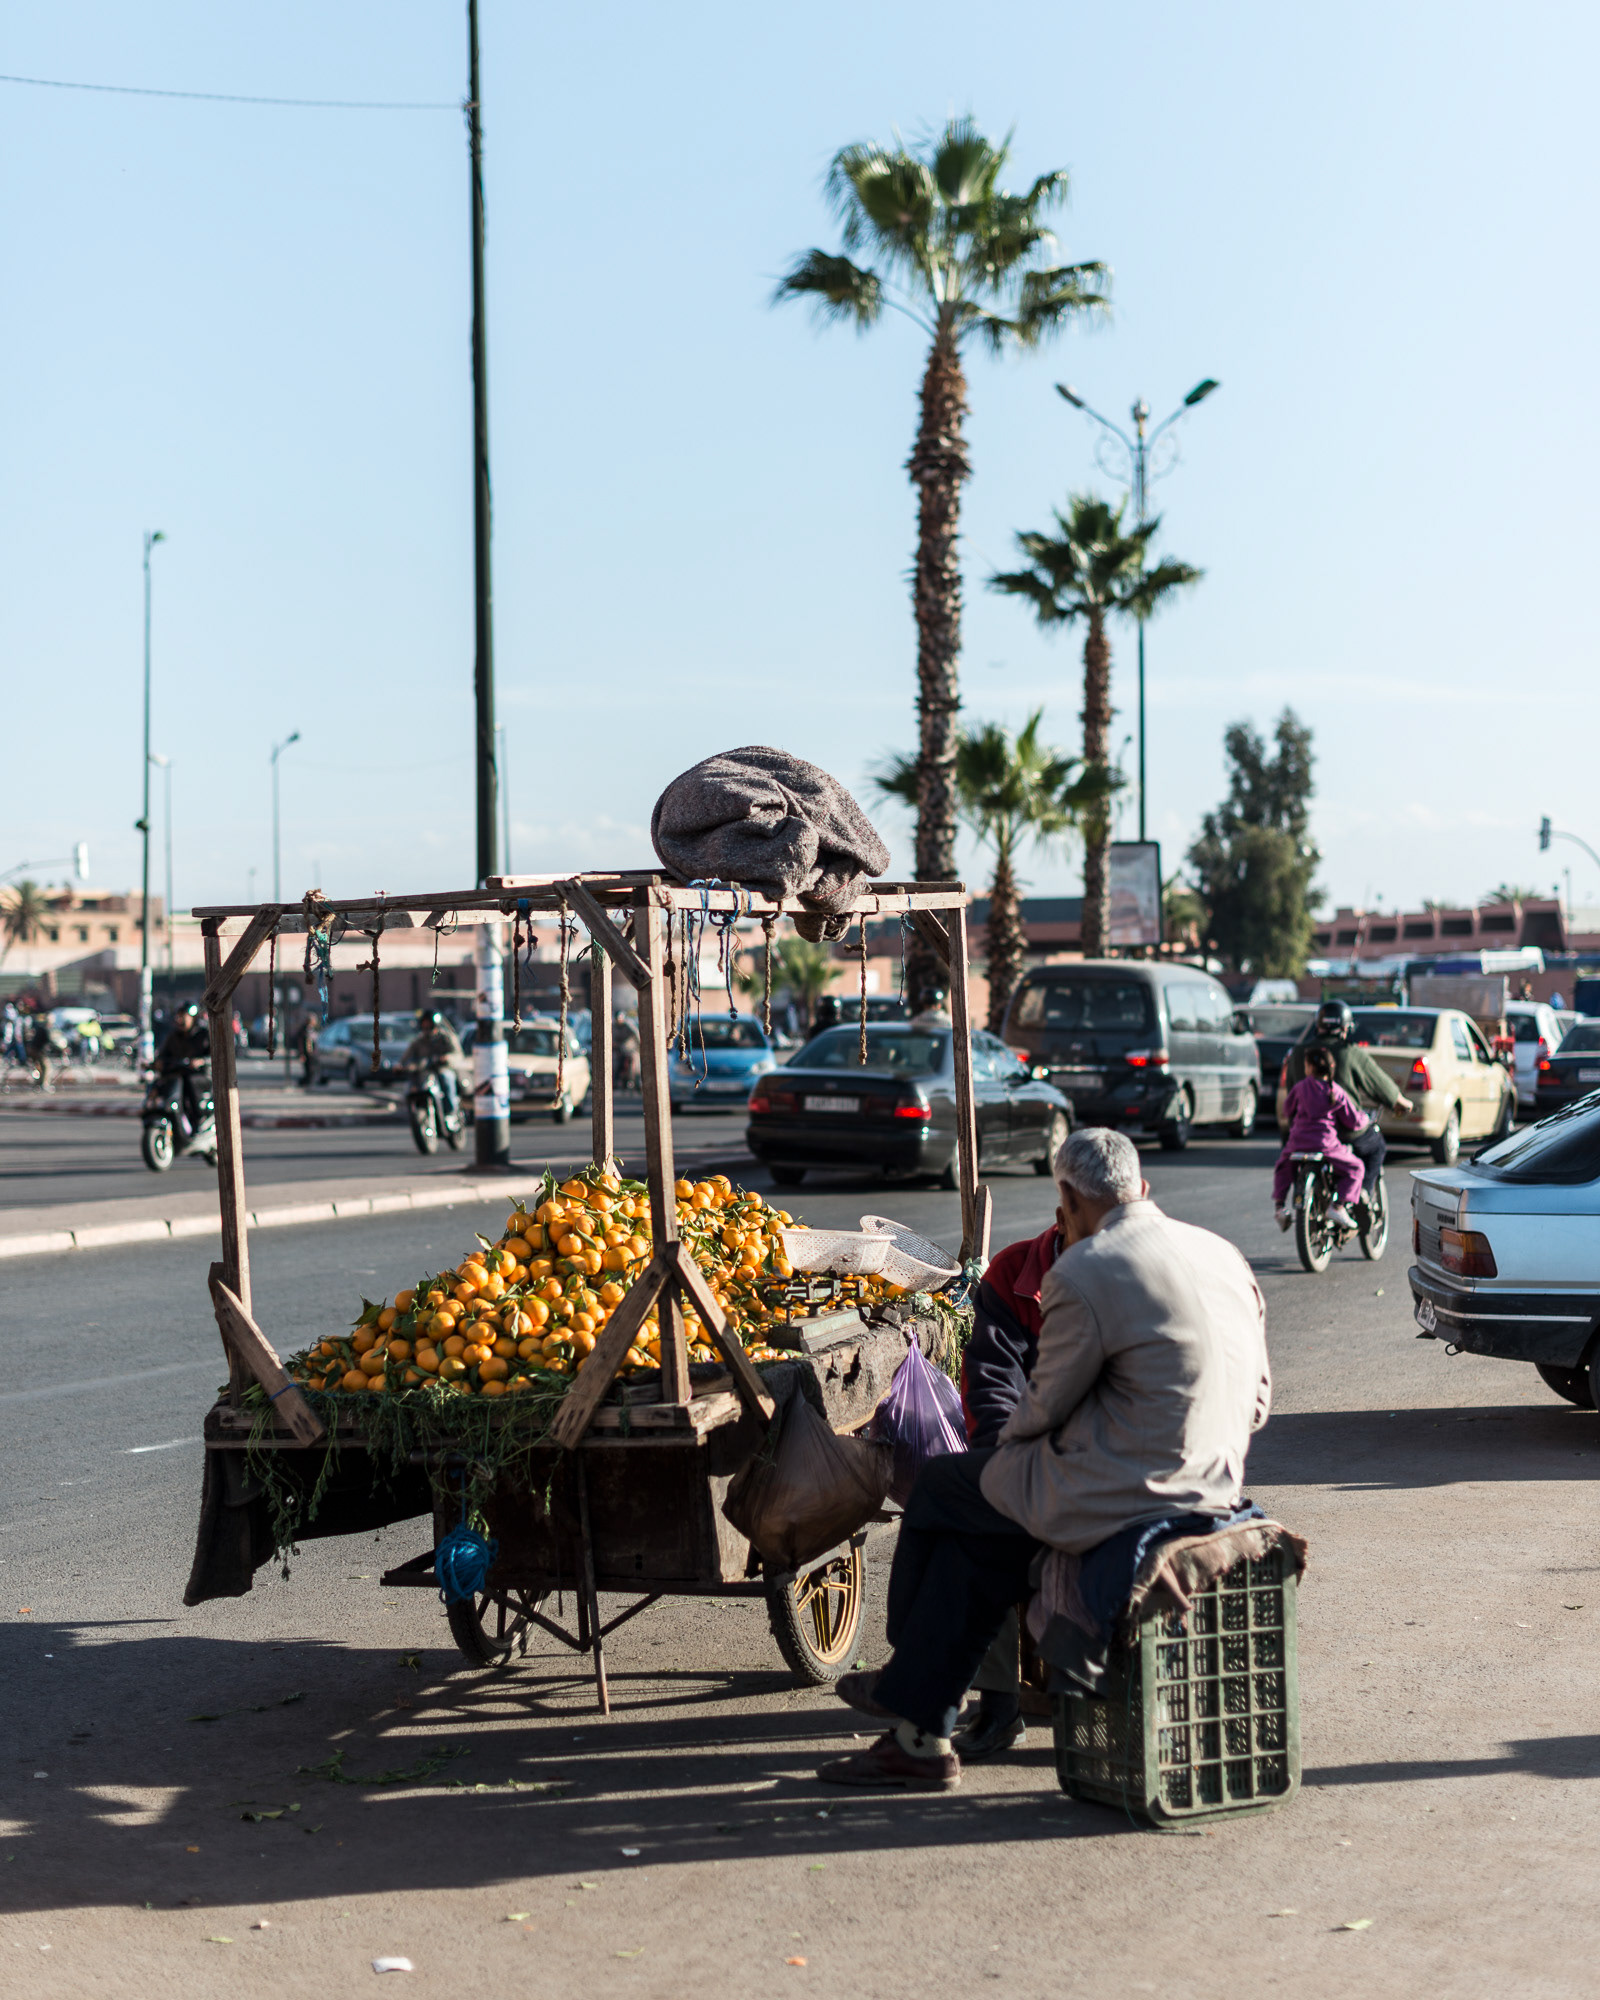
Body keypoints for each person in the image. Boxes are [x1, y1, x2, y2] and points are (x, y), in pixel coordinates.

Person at [817, 1126, 1270, 1791]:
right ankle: (919, 1732)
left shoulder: (1084, 1267)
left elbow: (1041, 1407)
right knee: (981, 1539)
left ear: (1068, 1197)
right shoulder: (1222, 1253)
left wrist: (1033, 1449)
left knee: (945, 1487)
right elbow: (1258, 1403)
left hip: (1127, 1490)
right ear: (1141, 1188)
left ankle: (907, 1684)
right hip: (1217, 1482)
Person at [947, 1215, 1063, 1759]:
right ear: (1066, 1214)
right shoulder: (1014, 1273)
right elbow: (992, 1382)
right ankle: (997, 1707)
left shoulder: (1142, 1272)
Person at [1283, 999, 1411, 1204]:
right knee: (1376, 1146)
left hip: (1303, 1130)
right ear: (1345, 1028)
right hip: (1343, 1131)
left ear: (1319, 1025)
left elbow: (1290, 1092)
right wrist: (1398, 1101)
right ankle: (1364, 1192)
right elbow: (1380, 1085)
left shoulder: (1298, 1053)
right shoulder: (1349, 1052)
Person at [1273, 1045, 1364, 1231]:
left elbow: (1286, 1110)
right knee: (1356, 1168)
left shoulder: (1299, 1088)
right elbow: (1353, 1120)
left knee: (1283, 1167)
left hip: (1297, 1143)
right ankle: (1338, 1206)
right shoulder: (1335, 1091)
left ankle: (1280, 1208)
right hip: (1325, 1145)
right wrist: (1365, 1120)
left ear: (1308, 1067)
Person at [155, 1001, 211, 1133]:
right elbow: (162, 1054)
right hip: (178, 1073)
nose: (179, 1020)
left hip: (200, 1076)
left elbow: (215, 1056)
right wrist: (157, 1063)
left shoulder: (203, 1035)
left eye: (183, 1016)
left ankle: (198, 1118)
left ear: (193, 1018)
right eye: (178, 1016)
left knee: (189, 1082)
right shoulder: (174, 1036)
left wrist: (201, 1061)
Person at [403, 1008, 463, 1120]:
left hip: (443, 1069)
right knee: (414, 1084)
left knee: (446, 1079)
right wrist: (400, 1066)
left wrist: (447, 1058)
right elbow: (406, 1056)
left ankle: (450, 1113)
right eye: (424, 1025)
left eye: (429, 1025)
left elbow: (458, 1054)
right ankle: (418, 1109)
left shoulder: (446, 1038)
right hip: (426, 1071)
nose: (427, 1028)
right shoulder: (418, 1041)